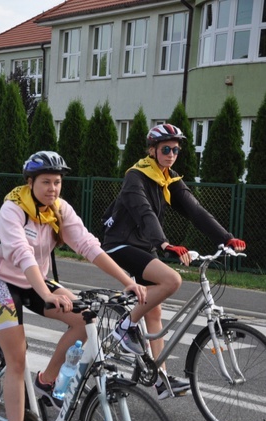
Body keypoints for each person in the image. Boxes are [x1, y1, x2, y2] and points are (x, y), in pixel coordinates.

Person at [0, 151, 146, 421]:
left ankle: (46, 381)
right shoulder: (12, 210)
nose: (53, 188)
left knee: (85, 320)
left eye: (57, 182)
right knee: (17, 359)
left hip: (37, 279)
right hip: (1, 281)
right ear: (30, 183)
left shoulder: (58, 210)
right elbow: (21, 254)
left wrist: (128, 282)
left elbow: (88, 245)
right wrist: (46, 294)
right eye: (46, 182)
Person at [102, 123, 246, 400]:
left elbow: (195, 210)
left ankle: (160, 379)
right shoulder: (137, 176)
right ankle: (125, 326)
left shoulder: (169, 177)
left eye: (176, 150)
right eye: (166, 149)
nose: (171, 154)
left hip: (144, 244)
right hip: (120, 242)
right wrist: (164, 243)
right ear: (152, 150)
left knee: (154, 312)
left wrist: (226, 238)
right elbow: (144, 212)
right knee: (172, 280)